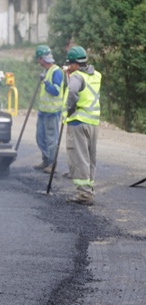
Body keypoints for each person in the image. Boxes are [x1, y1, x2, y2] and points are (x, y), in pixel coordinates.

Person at [63, 45, 102, 205]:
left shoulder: (77, 76)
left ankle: (83, 194)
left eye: (70, 64)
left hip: (78, 121)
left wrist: (70, 109)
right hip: (93, 122)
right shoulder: (96, 75)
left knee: (79, 158)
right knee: (90, 157)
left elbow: (72, 93)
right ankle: (89, 189)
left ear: (74, 64)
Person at [32, 45, 64, 172]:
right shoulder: (46, 71)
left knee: (51, 140)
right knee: (40, 137)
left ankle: (52, 164)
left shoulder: (56, 72)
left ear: (41, 58)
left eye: (38, 59)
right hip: (43, 112)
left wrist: (45, 82)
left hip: (52, 112)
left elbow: (55, 91)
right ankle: (46, 160)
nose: (38, 62)